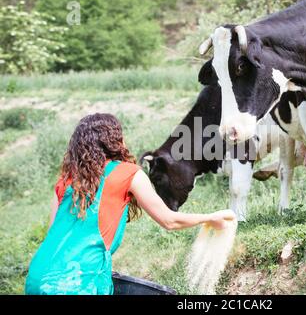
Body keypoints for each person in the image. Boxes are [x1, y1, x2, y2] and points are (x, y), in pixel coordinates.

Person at [25, 113, 235, 295]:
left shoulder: (66, 180)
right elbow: (169, 221)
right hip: (76, 282)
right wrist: (211, 218)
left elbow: (55, 234)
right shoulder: (127, 172)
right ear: (114, 140)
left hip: (38, 276)